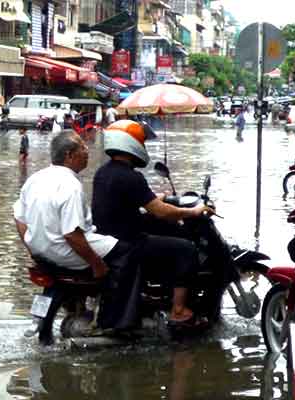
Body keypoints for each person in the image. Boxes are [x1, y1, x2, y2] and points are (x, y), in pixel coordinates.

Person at [92, 120, 214, 327]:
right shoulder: (131, 176)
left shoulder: (103, 172)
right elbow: (161, 212)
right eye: (142, 142)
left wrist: (157, 197)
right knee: (186, 249)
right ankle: (178, 310)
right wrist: (191, 211)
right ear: (131, 144)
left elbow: (126, 201)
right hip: (129, 242)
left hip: (109, 237)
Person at [14, 132, 124, 279]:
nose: (87, 151)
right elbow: (71, 235)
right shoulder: (71, 186)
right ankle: (122, 301)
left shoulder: (35, 178)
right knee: (127, 251)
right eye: (83, 148)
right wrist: (96, 264)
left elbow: (19, 219)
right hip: (64, 253)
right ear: (69, 155)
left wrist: (33, 250)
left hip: (40, 253)